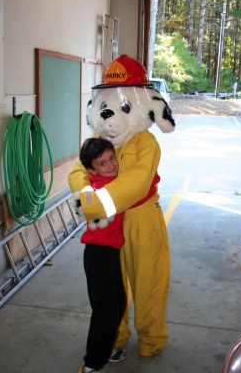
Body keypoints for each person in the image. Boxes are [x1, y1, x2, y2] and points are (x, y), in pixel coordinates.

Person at [69, 55, 175, 362]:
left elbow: (138, 183)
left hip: (141, 218)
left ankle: (151, 339)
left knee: (149, 282)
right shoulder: (101, 139)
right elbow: (79, 169)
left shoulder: (147, 143)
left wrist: (94, 203)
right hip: (111, 226)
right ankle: (115, 337)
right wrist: (86, 192)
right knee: (113, 286)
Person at [76, 137, 126, 373]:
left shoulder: (116, 180)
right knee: (105, 311)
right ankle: (92, 364)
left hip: (110, 253)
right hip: (98, 255)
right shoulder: (97, 190)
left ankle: (107, 349)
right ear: (91, 169)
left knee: (118, 303)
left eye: (111, 158)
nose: (111, 165)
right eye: (103, 163)